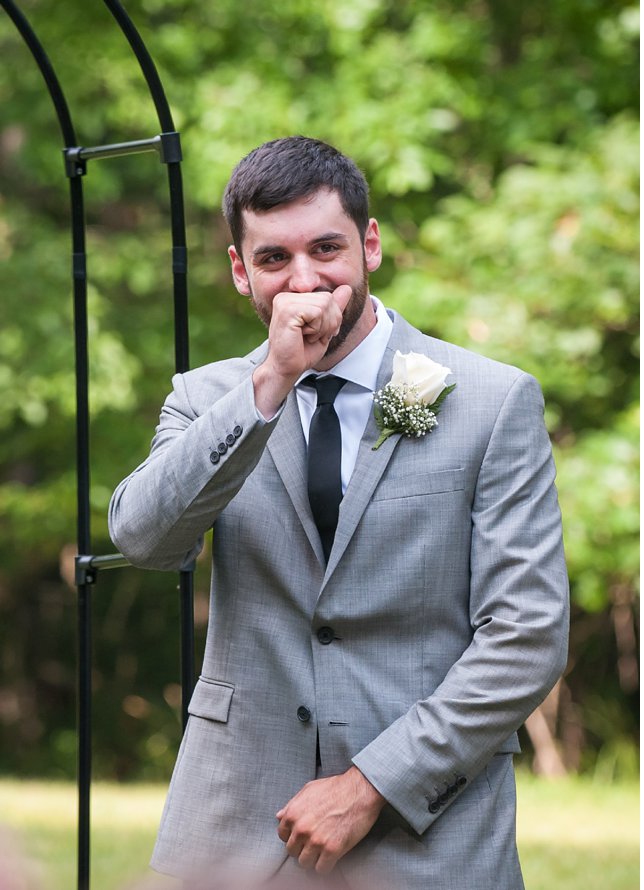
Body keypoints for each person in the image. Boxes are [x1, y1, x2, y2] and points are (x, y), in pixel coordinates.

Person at [108, 136, 569, 887]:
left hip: (427, 834)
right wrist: (269, 385)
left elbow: (527, 637)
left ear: (371, 244)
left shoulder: (491, 401)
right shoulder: (206, 399)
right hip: (234, 829)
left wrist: (370, 786)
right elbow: (145, 540)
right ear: (239, 271)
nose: (305, 280)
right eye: (273, 259)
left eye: (327, 248)